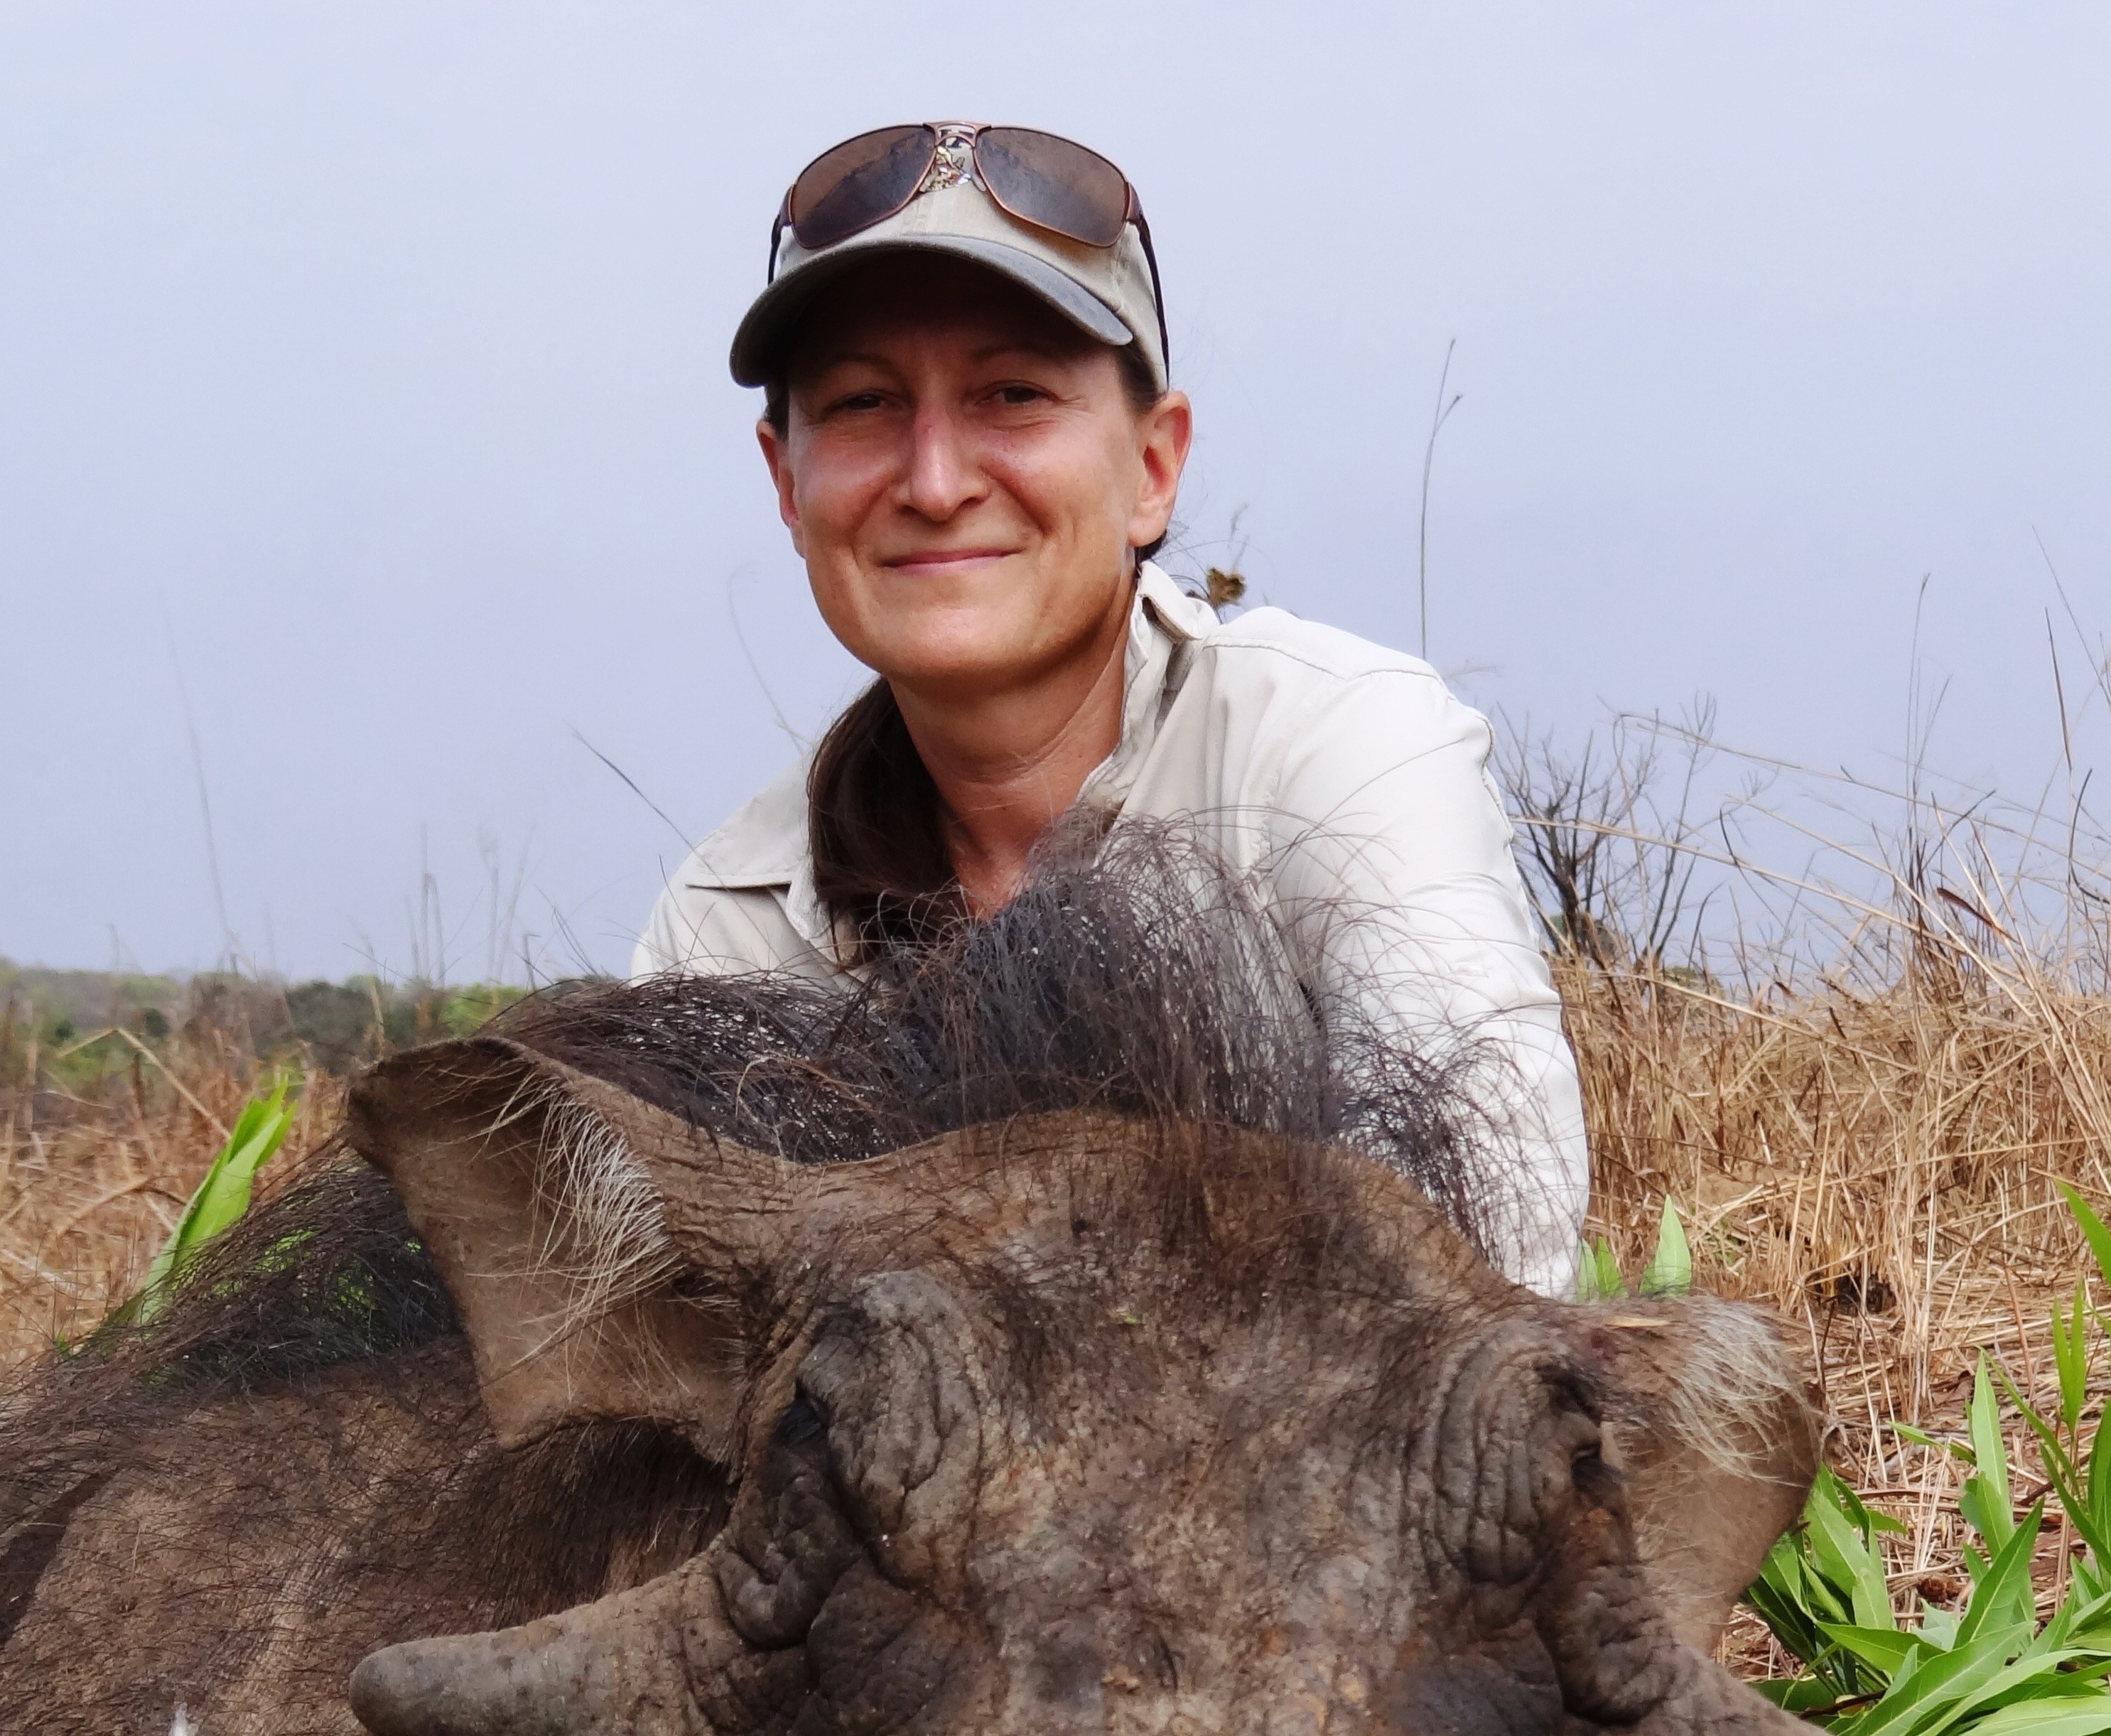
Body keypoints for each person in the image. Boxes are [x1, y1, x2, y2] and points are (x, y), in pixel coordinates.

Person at [634, 120, 1587, 1297]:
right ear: (787, 483)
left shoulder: (1342, 744)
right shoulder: (722, 928)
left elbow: (1488, 1241)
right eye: (865, 404)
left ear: (1152, 465)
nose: (934, 482)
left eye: (1014, 395)